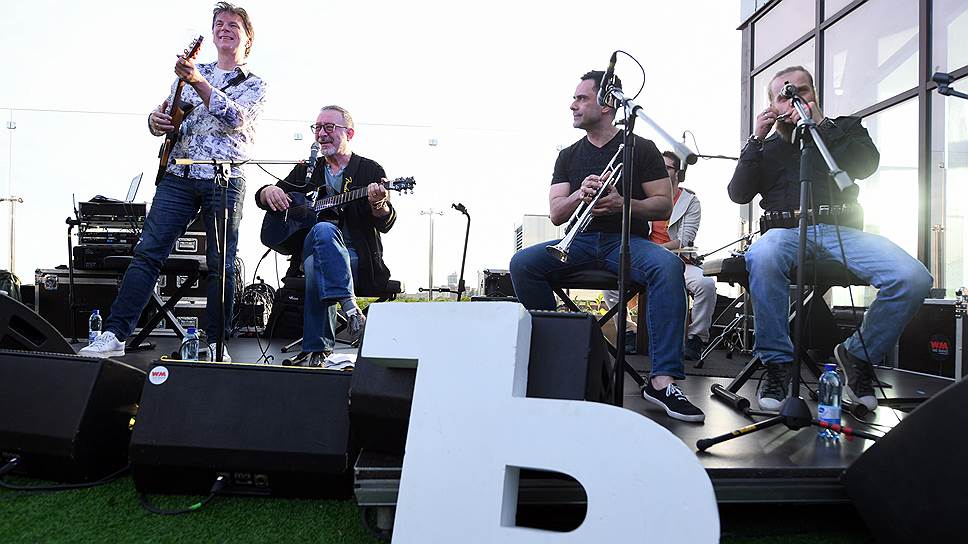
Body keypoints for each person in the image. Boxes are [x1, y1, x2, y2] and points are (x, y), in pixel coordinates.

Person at [728, 65, 931, 411]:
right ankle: (777, 363)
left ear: (814, 95)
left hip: (842, 232)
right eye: (784, 96)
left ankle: (856, 355)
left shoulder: (844, 128)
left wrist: (820, 124)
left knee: (913, 277)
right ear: (773, 106)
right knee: (762, 254)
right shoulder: (765, 146)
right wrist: (755, 139)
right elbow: (738, 193)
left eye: (802, 91)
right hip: (784, 233)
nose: (794, 99)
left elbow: (866, 165)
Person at [510, 70, 704, 423]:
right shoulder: (568, 156)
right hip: (579, 241)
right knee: (523, 263)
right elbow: (556, 213)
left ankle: (662, 381)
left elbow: (662, 205)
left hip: (626, 241)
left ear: (608, 104)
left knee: (667, 266)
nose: (573, 105)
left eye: (581, 98)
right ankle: (554, 355)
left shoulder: (641, 148)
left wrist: (621, 203)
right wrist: (579, 195)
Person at [81, 2, 267, 362]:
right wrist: (155, 120)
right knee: (147, 253)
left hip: (223, 177)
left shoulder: (254, 83)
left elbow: (236, 120)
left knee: (222, 263)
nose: (224, 28)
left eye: (233, 24)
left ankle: (215, 344)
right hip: (178, 175)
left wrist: (197, 81)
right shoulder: (191, 73)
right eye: (219, 23)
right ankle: (115, 334)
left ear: (247, 38)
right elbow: (165, 113)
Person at [256, 105, 394, 367]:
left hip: (355, 258)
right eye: (317, 128)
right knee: (322, 231)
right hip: (308, 250)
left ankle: (316, 351)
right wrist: (267, 191)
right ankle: (350, 308)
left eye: (329, 127)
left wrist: (378, 204)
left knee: (318, 260)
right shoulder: (308, 170)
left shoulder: (369, 170)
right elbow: (267, 197)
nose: (321, 134)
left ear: (349, 133)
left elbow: (386, 222)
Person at [603, 151, 717, 361]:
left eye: (667, 167)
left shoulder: (690, 201)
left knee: (706, 285)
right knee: (610, 284)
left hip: (679, 262)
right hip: (643, 262)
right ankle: (628, 332)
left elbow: (683, 241)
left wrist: (653, 253)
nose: (661, 171)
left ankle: (696, 338)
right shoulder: (644, 197)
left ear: (679, 174)